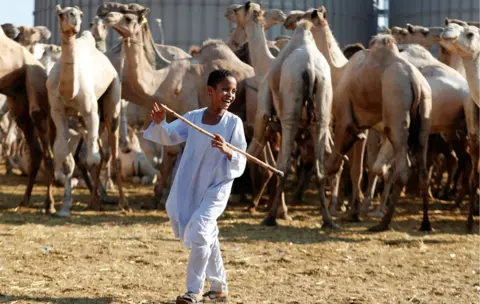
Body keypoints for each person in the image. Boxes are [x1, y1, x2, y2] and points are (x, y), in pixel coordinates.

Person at [144, 69, 247, 303]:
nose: (230, 95)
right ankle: (219, 287)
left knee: (200, 228)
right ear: (210, 91)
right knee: (207, 233)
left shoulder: (233, 123)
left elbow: (242, 157)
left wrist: (228, 150)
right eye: (225, 90)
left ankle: (194, 291)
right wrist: (161, 123)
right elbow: (170, 136)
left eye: (233, 91)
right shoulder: (193, 117)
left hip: (217, 187)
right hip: (190, 183)